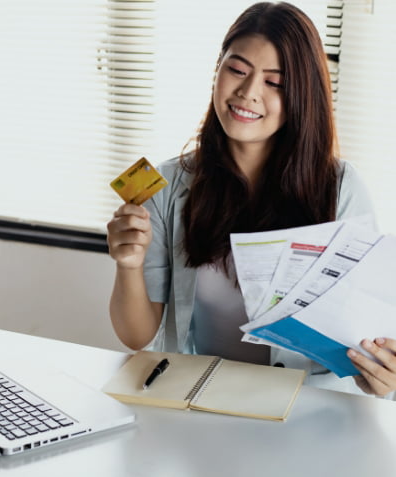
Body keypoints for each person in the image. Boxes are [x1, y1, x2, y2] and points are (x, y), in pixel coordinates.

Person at [106, 1, 396, 397]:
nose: (247, 92)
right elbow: (136, 337)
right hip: (197, 401)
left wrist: (379, 372)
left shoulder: (341, 186)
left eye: (274, 83)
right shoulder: (170, 185)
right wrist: (128, 265)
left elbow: (365, 332)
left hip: (308, 409)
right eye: (237, 70)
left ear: (301, 96)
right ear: (217, 70)